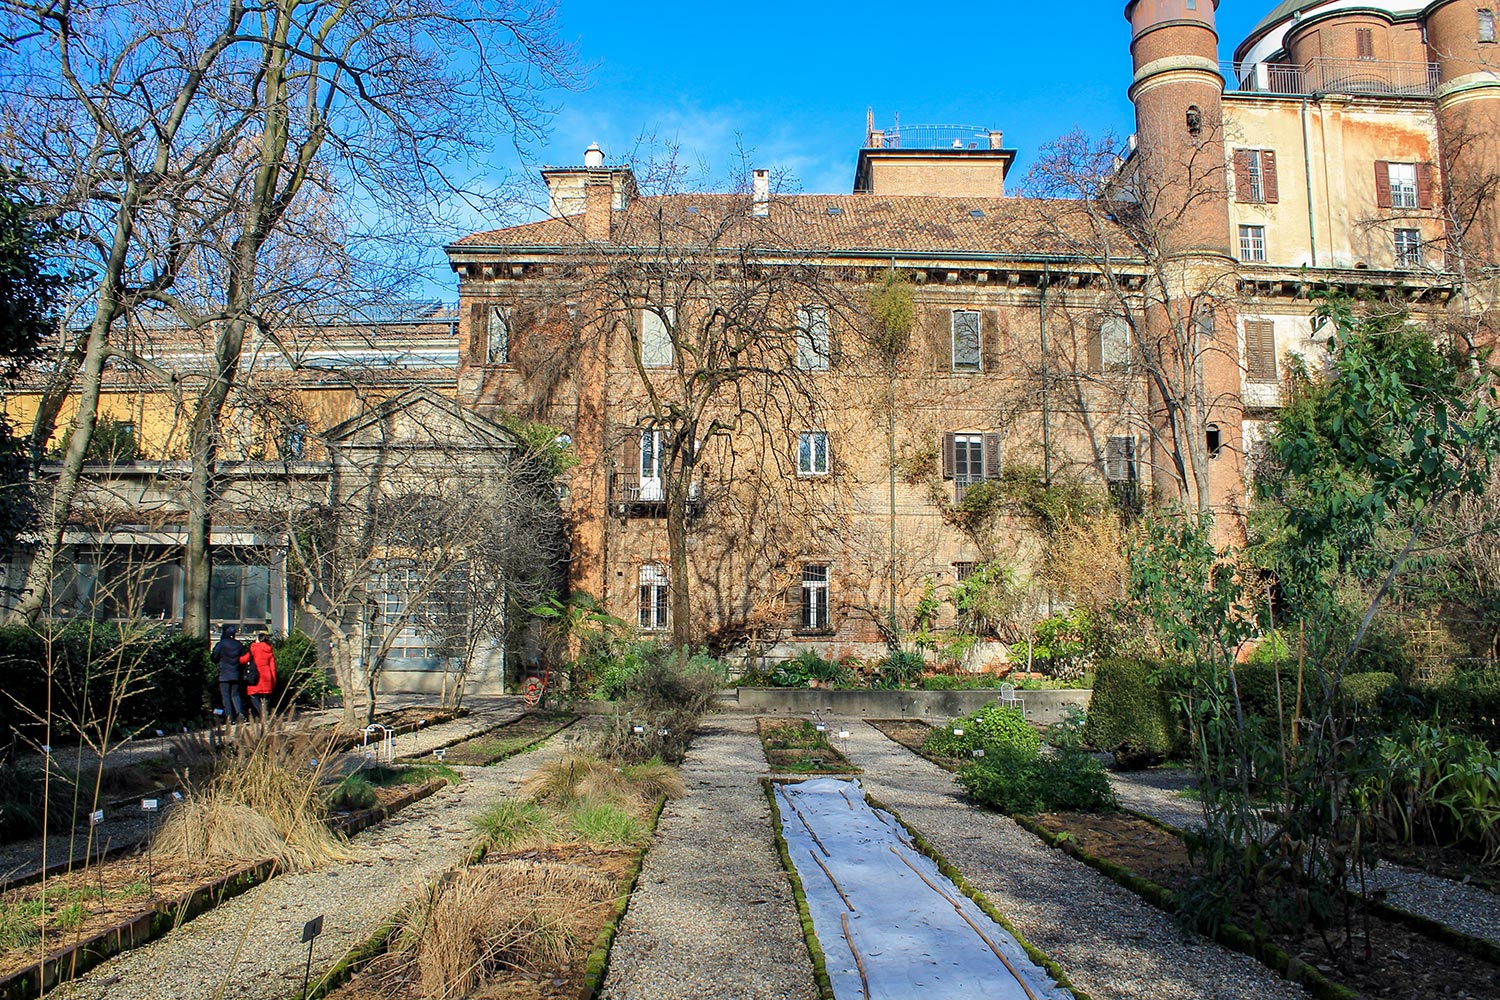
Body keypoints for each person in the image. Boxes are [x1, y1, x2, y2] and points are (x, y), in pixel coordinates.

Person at [211, 625, 247, 724]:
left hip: (224, 674)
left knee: (226, 696)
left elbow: (214, 657)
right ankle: (240, 713)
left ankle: (229, 717)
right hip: (236, 673)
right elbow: (243, 658)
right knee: (235, 694)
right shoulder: (239, 644)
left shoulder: (221, 644)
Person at [241, 631, 277, 720]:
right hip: (267, 675)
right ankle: (265, 711)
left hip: (255, 675)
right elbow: (272, 667)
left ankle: (262, 712)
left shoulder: (253, 648)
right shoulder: (269, 650)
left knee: (253, 695)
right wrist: (273, 680)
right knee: (266, 696)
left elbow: (243, 660)